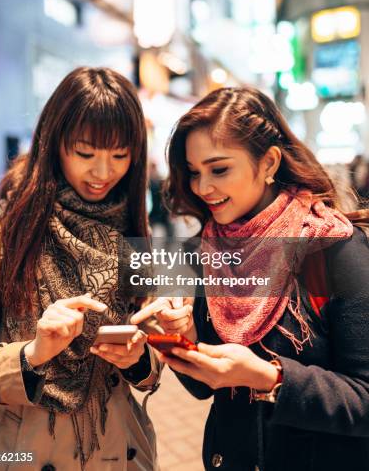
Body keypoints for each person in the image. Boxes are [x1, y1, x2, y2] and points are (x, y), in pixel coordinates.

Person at [132, 86, 369, 471]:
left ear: (269, 162)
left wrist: (272, 378)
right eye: (194, 172)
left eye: (219, 169)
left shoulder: (330, 248)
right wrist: (187, 337)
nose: (203, 188)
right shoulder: (204, 250)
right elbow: (204, 386)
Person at [0, 67, 160, 470]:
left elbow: (155, 365)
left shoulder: (137, 229)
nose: (103, 173)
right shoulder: (1, 230)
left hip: (118, 450)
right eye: (85, 153)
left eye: (120, 155)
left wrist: (140, 359)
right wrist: (31, 354)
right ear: (55, 144)